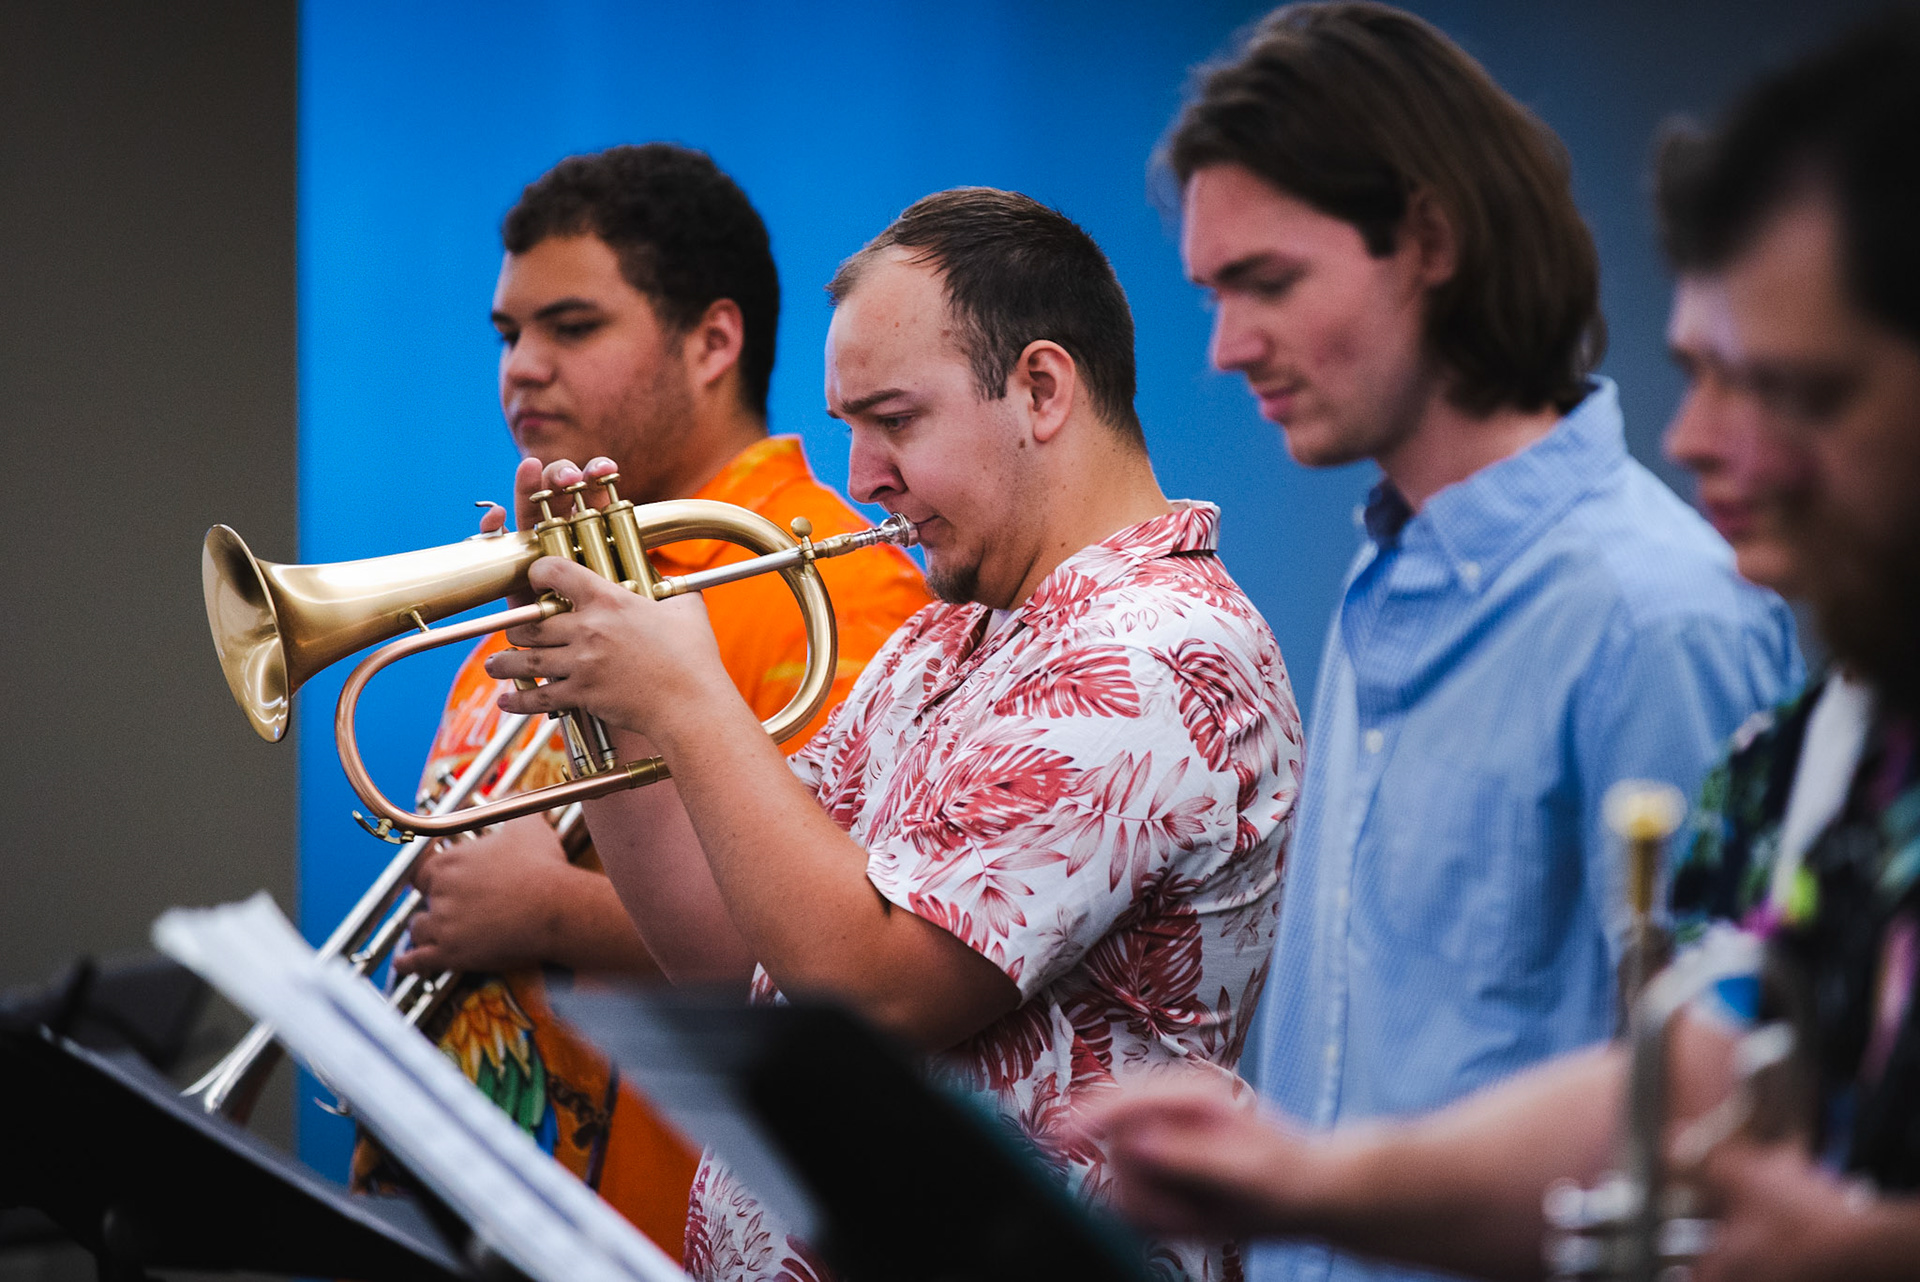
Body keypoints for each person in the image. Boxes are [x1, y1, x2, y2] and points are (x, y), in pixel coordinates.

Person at [1082, 11, 1920, 1280]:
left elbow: (1707, 1122)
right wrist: (1290, 1181)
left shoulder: (1659, 613)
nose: (1224, 345)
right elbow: (1714, 1038)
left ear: (1428, 241)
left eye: (1268, 280)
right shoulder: (1389, 571)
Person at [486, 187, 1304, 1281]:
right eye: (851, 429)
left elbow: (866, 999)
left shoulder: (1153, 651)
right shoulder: (958, 632)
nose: (863, 479)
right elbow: (733, 957)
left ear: (1042, 389)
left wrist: (687, 699)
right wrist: (613, 713)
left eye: (896, 420)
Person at [349, 143, 933, 1260]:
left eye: (571, 328)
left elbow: (848, 944)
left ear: (714, 340)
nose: (522, 367)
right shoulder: (537, 571)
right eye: (507, 334)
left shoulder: (836, 581)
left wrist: (549, 912)